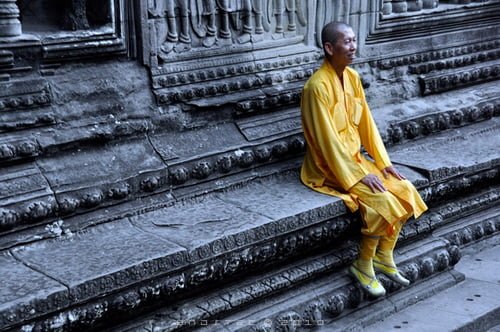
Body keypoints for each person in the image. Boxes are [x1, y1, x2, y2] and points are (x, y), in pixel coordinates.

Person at [300, 22, 428, 297]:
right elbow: (326, 142)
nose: (353, 46)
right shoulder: (316, 88)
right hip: (330, 166)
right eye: (346, 42)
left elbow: (367, 125)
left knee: (404, 189)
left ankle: (384, 255)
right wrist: (358, 176)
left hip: (357, 160)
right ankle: (364, 264)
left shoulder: (354, 78)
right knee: (381, 201)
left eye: (354, 40)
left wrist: (384, 164)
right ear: (329, 48)